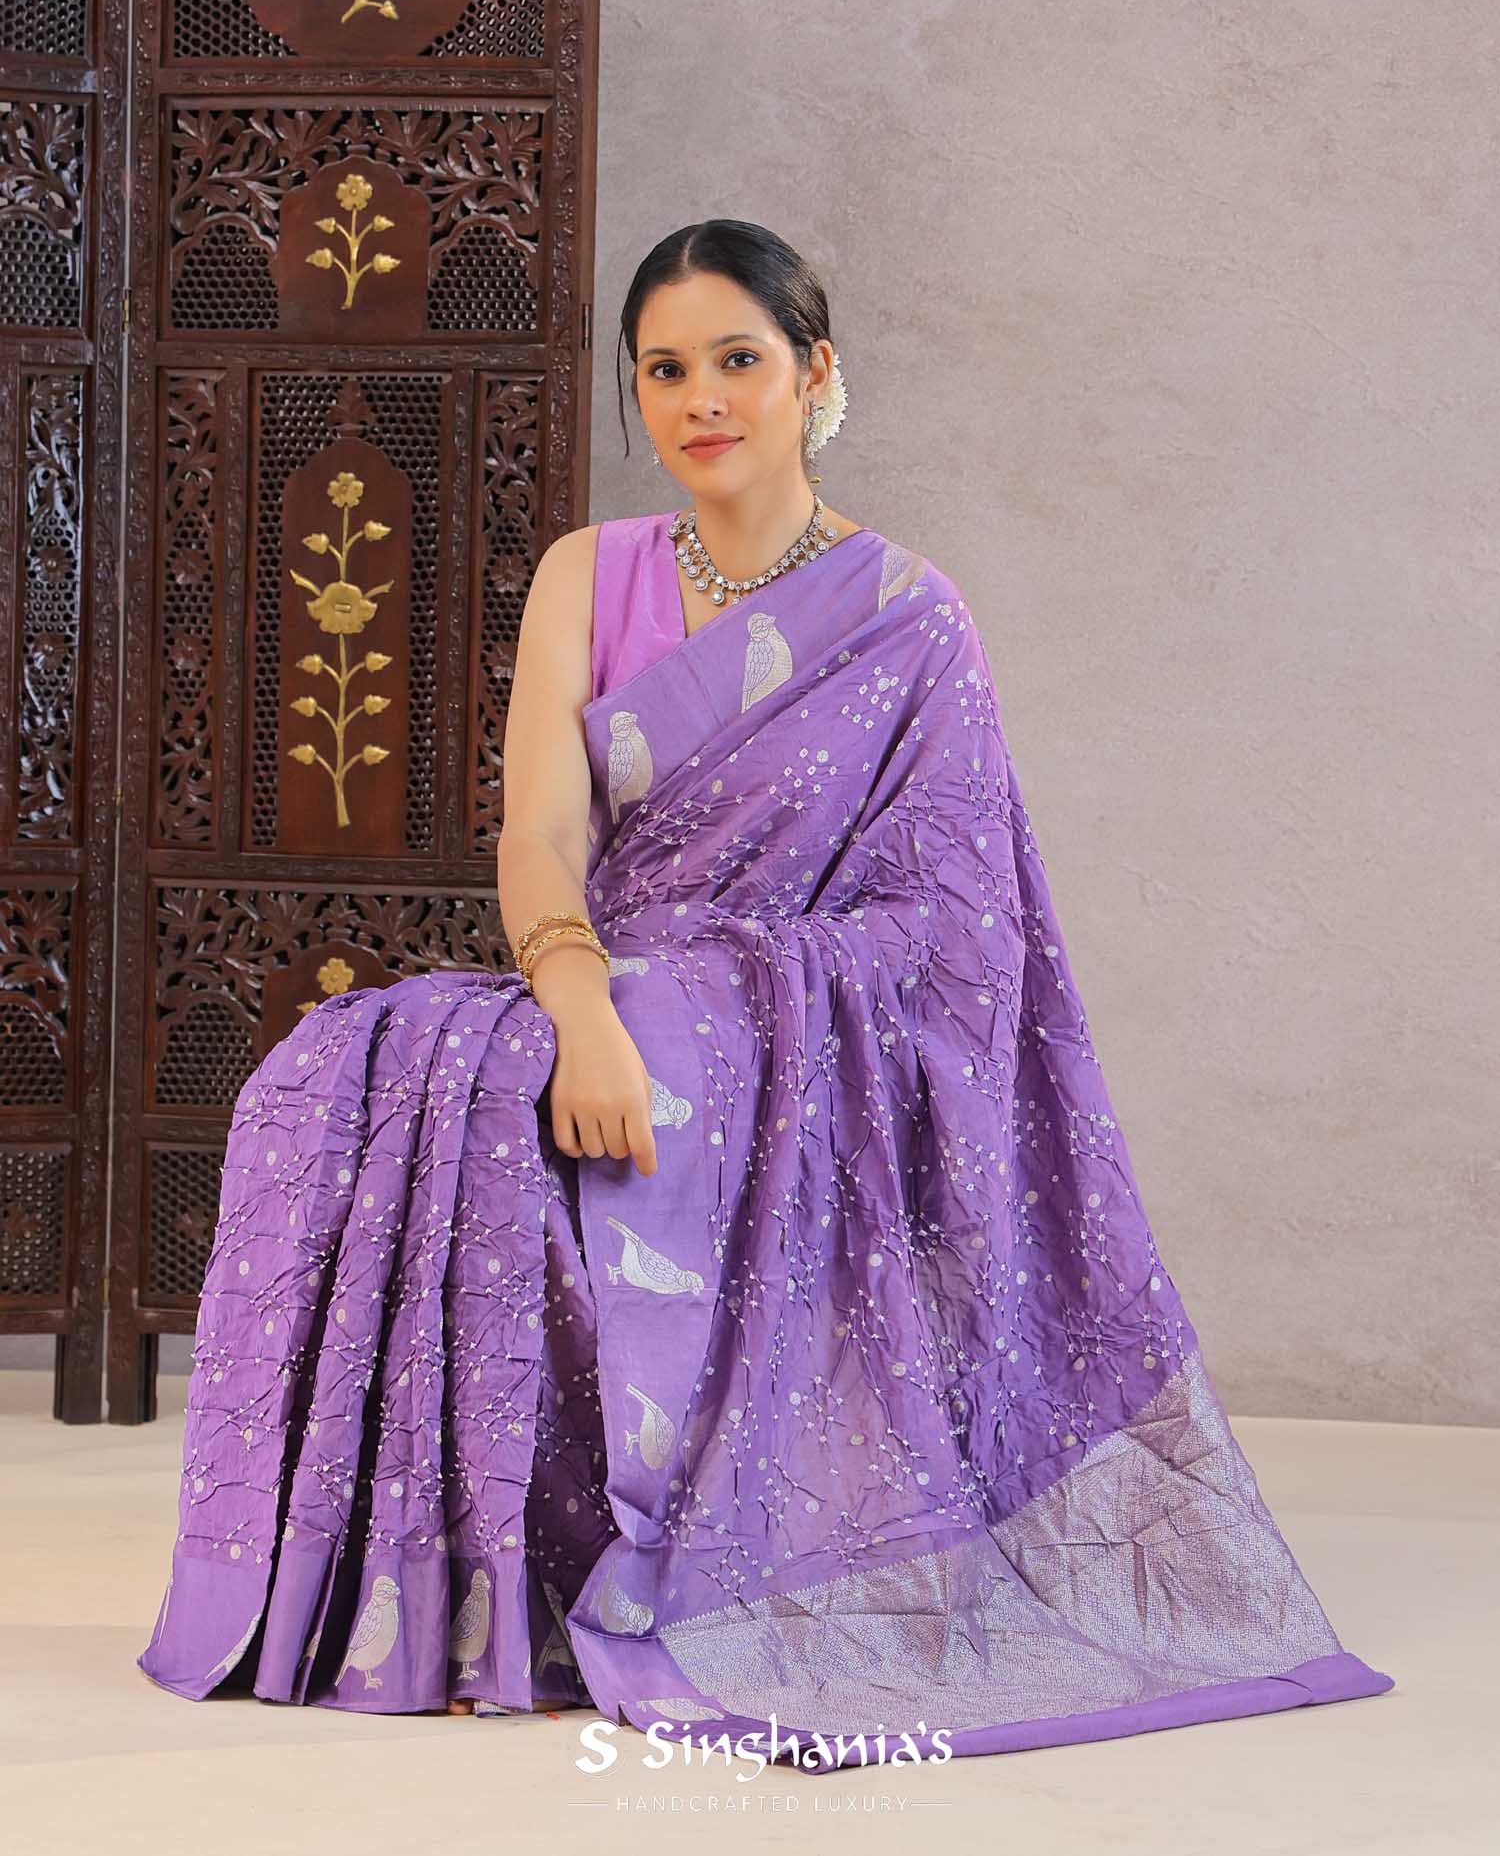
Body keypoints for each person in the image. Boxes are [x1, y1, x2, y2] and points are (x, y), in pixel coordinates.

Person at [137, 219, 1394, 1769]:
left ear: (814, 373)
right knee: (349, 1068)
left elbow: (956, 929)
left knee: (553, 1065)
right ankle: (447, 1598)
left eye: (737, 360)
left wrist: (707, 1006)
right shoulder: (587, 573)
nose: (701, 400)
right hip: (599, 976)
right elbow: (539, 835)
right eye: (665, 370)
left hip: (781, 1026)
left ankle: (577, 1586)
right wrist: (585, 1004)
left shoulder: (908, 617)